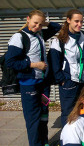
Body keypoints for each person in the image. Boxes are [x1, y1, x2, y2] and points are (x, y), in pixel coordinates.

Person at [5, 10, 61, 146]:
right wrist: (34, 64)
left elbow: (57, 27)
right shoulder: (19, 37)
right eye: (35, 23)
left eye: (40, 24)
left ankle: (44, 142)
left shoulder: (39, 34)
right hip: (29, 83)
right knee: (33, 119)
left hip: (43, 84)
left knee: (43, 116)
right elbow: (10, 62)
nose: (37, 26)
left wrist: (44, 22)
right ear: (28, 19)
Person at [49, 9, 84, 127]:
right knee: (68, 112)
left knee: (83, 111)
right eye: (76, 21)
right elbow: (54, 63)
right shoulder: (59, 40)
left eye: (81, 21)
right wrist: (62, 80)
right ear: (68, 20)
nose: (79, 24)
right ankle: (66, 140)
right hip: (69, 82)